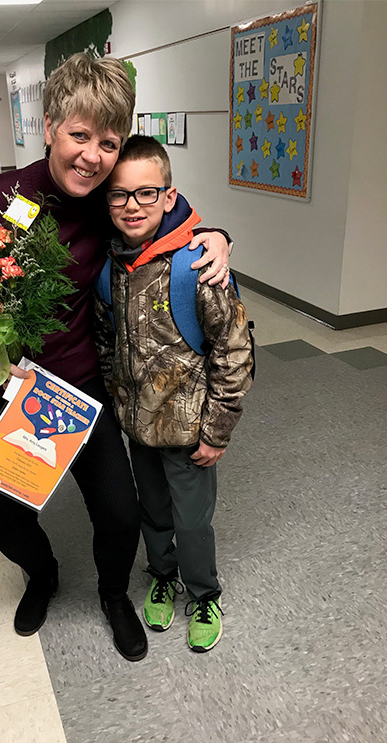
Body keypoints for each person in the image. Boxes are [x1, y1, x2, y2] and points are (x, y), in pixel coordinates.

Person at [0, 54, 231, 662]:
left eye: (108, 142)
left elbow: (170, 214)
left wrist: (217, 236)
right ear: (49, 127)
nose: (92, 156)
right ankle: (41, 573)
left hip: (76, 387)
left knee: (121, 514)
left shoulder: (109, 202)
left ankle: (113, 595)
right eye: (79, 135)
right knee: (6, 521)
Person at [95, 135, 253, 653]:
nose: (132, 206)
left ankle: (204, 593)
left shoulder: (199, 266)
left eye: (146, 193)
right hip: (138, 427)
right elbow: (106, 342)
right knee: (154, 512)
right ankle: (162, 575)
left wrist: (217, 432)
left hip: (190, 433)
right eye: (120, 194)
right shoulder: (110, 269)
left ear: (168, 196)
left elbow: (234, 353)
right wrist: (117, 403)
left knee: (191, 520)